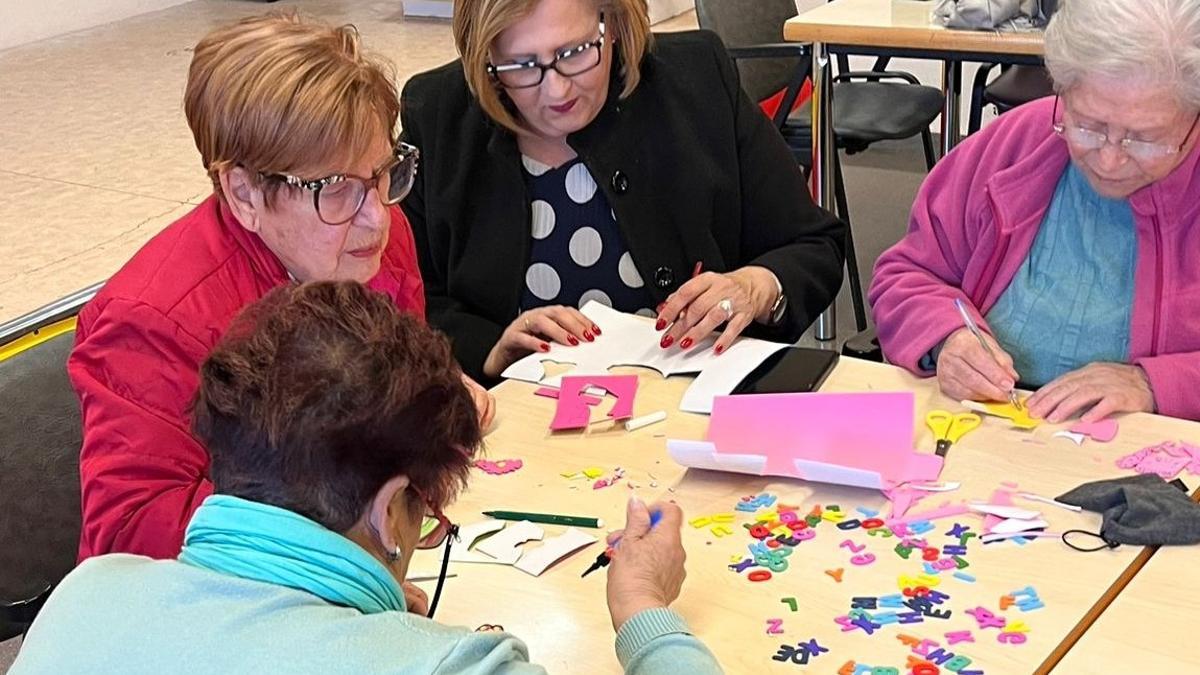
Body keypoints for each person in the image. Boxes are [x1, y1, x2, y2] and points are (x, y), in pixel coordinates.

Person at [12, 282, 722, 675]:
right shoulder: (455, 667)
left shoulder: (85, 593)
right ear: (389, 510)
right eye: (426, 511)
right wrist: (642, 609)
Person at [69, 13, 494, 562]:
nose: (378, 218)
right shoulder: (151, 321)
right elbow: (132, 536)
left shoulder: (367, 241)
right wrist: (341, 553)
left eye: (384, 172)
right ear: (243, 192)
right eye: (336, 189)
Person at [400, 0, 845, 383]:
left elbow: (812, 245)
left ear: (611, 24)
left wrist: (756, 286)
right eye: (521, 66)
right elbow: (410, 305)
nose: (555, 89)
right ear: (486, 61)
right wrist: (490, 350)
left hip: (690, 409)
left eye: (574, 52)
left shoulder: (695, 80)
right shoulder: (439, 115)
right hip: (521, 427)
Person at [869, 0, 1200, 422]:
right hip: (989, 437)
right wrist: (945, 336)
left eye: (1145, 138)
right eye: (1088, 126)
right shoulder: (1013, 145)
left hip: (1157, 460)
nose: (1109, 160)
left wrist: (1156, 383)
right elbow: (906, 275)